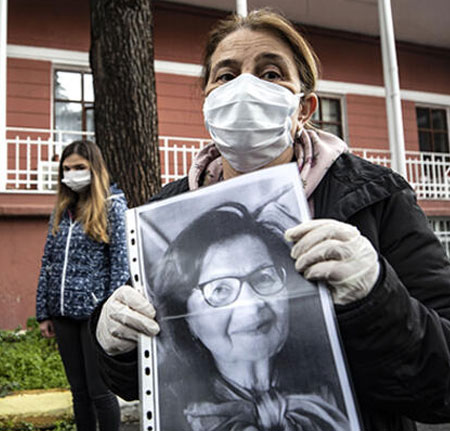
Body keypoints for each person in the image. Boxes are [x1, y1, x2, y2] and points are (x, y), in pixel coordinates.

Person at [91, 8, 450, 431]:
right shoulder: (166, 213)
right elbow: (150, 379)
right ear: (208, 101)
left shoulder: (375, 197)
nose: (245, 86)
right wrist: (118, 347)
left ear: (304, 107)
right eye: (225, 76)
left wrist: (376, 296)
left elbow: (440, 386)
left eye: (271, 73)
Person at [153, 202, 348, 430]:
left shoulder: (340, 379)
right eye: (220, 290)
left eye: (264, 278)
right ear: (186, 319)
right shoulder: (169, 413)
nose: (252, 305)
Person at [35, 139, 129, 431]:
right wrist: (43, 312)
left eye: (79, 167)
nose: (72, 174)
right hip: (62, 313)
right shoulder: (62, 210)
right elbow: (47, 261)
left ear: (95, 169)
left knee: (100, 391)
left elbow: (121, 263)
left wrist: (109, 312)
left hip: (94, 316)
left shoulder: (113, 206)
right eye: (66, 168)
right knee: (78, 392)